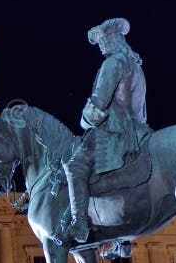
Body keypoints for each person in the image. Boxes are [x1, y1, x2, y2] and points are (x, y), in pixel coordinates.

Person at [58, 18, 150, 243]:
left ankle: (79, 223)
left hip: (115, 131)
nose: (101, 48)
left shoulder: (113, 64)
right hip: (140, 130)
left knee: (74, 166)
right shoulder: (135, 64)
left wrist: (84, 121)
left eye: (103, 42)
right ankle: (121, 240)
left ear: (112, 41)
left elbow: (99, 102)